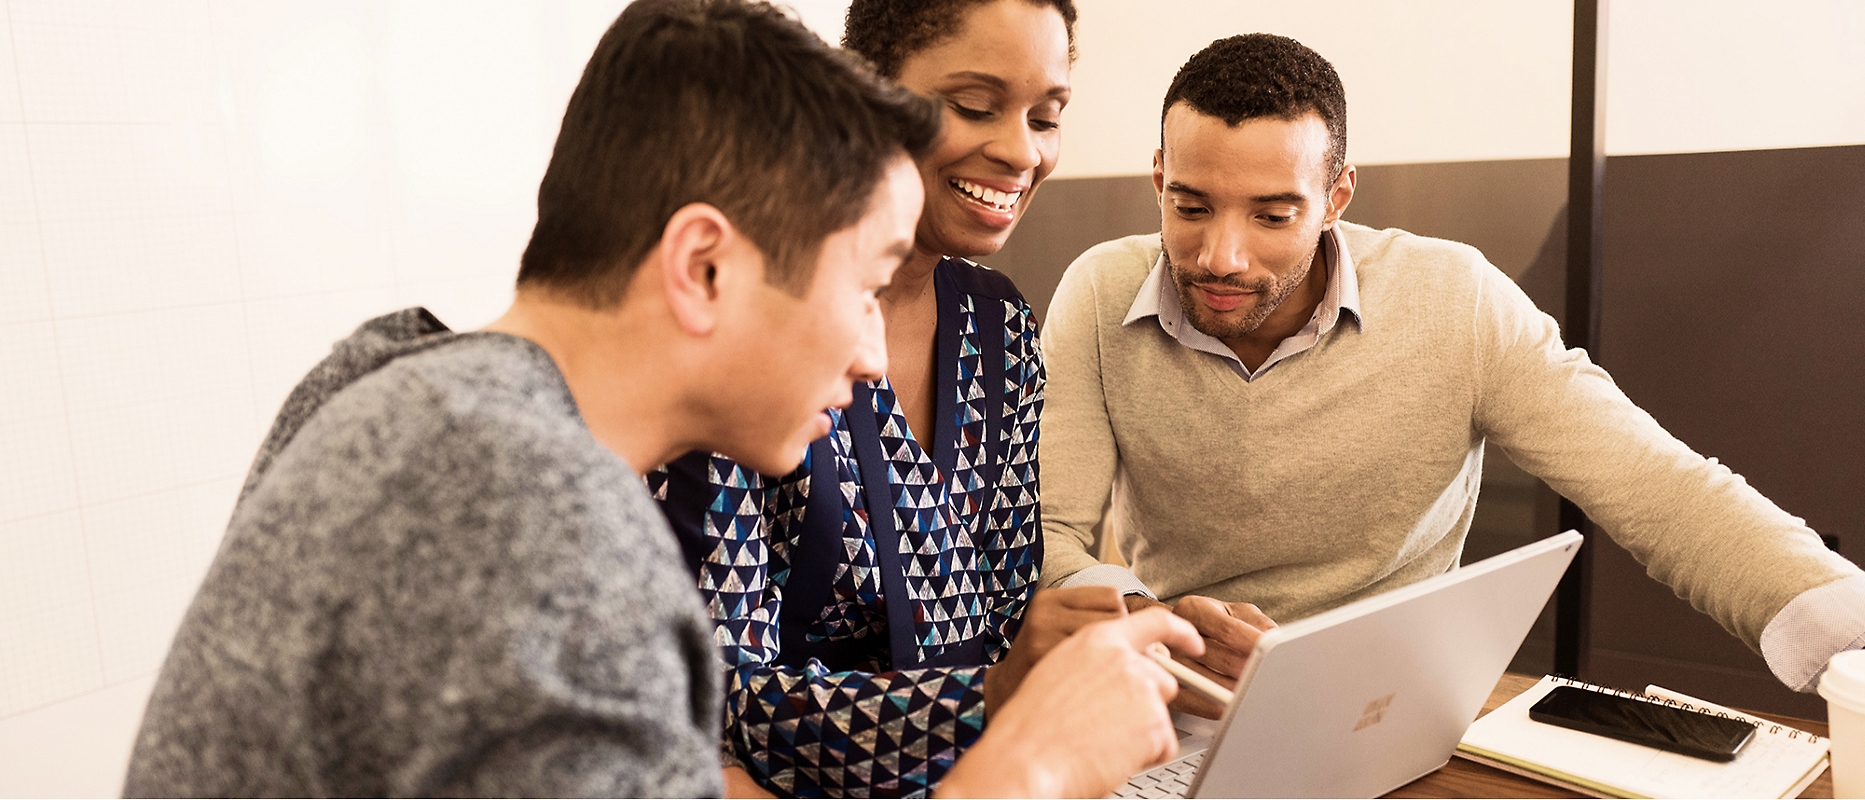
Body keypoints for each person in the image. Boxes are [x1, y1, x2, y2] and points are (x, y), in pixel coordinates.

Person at [121, 2, 1198, 796]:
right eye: (863, 284)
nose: (875, 351)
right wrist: (1030, 762)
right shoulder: (535, 514)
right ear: (704, 266)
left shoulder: (393, 380)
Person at [1038, 32, 1864, 719]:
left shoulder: (1452, 299)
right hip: (1180, 698)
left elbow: (1657, 487)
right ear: (1157, 180)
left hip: (1389, 705)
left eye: (1271, 214)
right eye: (1189, 207)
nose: (1221, 254)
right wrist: (1151, 623)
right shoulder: (1099, 292)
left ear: (1335, 198)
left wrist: (1852, 631)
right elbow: (1044, 534)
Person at [648, 0, 1121, 796]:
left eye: (1046, 116)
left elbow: (999, 617)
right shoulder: (745, 325)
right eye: (974, 106)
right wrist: (990, 695)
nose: (1019, 150)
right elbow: (718, 702)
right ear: (862, 92)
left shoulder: (998, 324)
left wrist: (1111, 637)